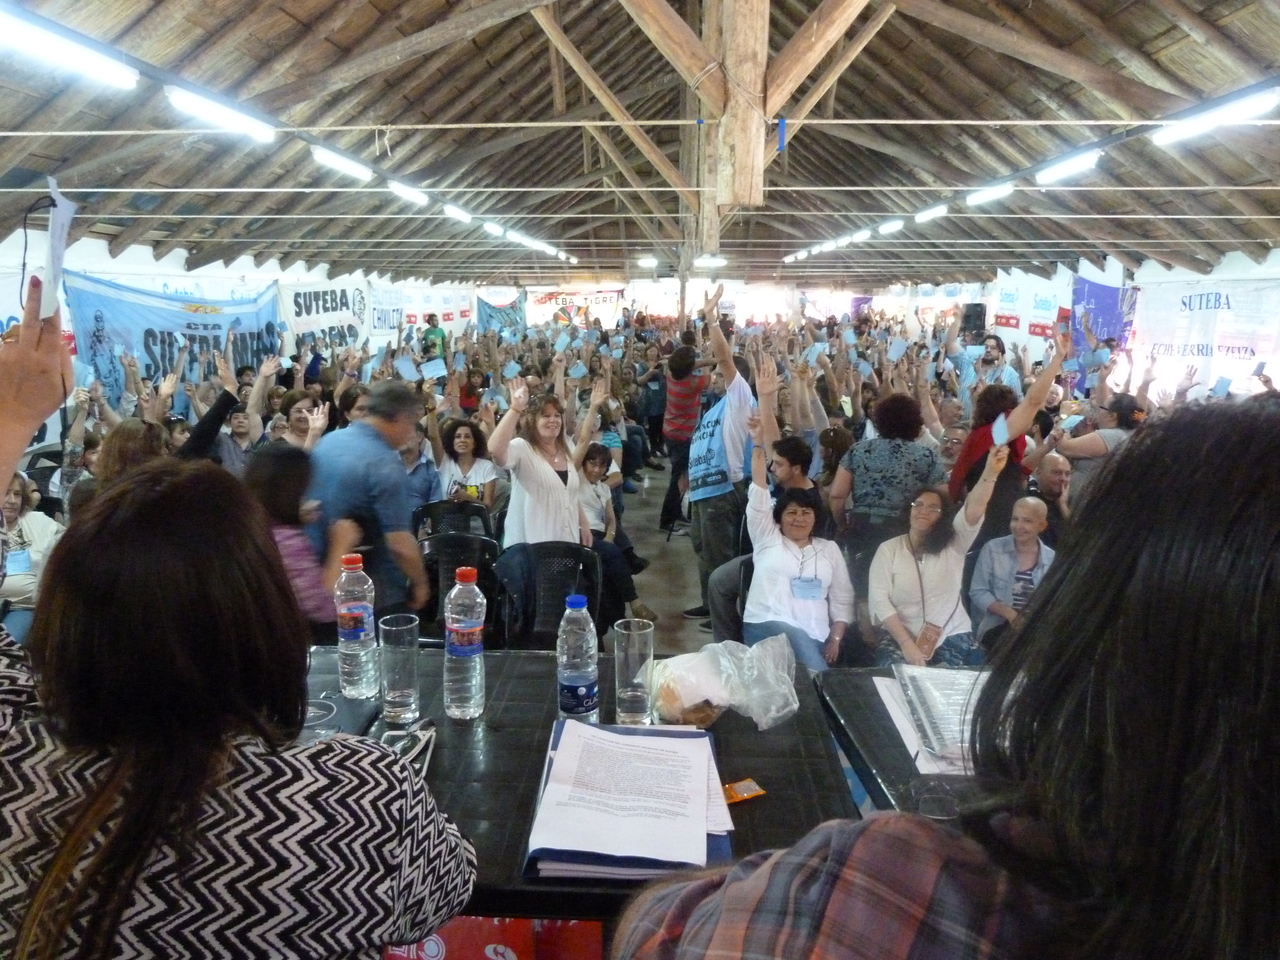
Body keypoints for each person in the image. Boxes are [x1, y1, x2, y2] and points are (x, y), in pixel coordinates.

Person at [870, 445, 1008, 667]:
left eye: (933, 508)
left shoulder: (955, 542)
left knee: (977, 676)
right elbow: (879, 600)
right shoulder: (888, 549)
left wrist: (990, 473)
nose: (923, 511)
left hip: (952, 631)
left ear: (943, 516)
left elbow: (975, 506)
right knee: (894, 675)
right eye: (918, 505)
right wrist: (906, 644)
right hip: (901, 635)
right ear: (909, 511)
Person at [307, 381, 430, 617]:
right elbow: (399, 543)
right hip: (367, 588)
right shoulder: (384, 463)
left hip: (316, 573)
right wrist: (421, 583)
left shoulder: (329, 440)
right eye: (412, 423)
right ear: (399, 418)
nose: (411, 432)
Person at [740, 415, 853, 673]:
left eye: (806, 513)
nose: (799, 519)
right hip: (767, 624)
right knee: (807, 665)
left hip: (816, 636)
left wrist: (835, 639)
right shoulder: (768, 538)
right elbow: (758, 490)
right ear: (779, 518)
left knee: (802, 670)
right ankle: (819, 680)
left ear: (815, 518)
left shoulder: (829, 550)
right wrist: (757, 444)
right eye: (791, 513)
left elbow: (842, 599)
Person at [243, 444, 364, 645]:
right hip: (294, 645)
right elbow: (324, 608)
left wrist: (294, 516)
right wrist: (340, 546)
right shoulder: (286, 541)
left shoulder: (247, 524)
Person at [685, 286, 754, 621]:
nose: (713, 376)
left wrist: (711, 319)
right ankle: (709, 603)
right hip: (704, 489)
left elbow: (725, 359)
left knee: (719, 555)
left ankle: (724, 616)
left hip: (724, 490)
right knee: (703, 549)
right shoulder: (718, 406)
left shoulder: (740, 398)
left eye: (718, 373)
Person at [828, 394, 946, 568]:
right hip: (905, 527)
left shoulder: (858, 450)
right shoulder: (926, 456)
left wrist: (843, 526)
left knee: (862, 578)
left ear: (880, 420)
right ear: (916, 422)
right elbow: (942, 496)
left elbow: (836, 496)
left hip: (863, 526)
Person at [489, 377, 592, 549]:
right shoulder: (522, 448)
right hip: (530, 549)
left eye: (557, 415)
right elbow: (495, 450)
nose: (553, 420)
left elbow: (569, 493)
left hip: (566, 545)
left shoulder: (564, 450)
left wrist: (584, 523)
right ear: (532, 421)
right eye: (546, 416)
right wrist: (515, 409)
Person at [969, 496, 1055, 648]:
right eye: (1015, 519)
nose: (1018, 526)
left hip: (1034, 630)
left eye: (1027, 521)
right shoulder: (992, 548)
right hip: (995, 628)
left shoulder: (1051, 558)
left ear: (1042, 526)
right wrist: (1010, 615)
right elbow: (978, 592)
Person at [1040, 393, 1141, 507]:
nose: (1098, 411)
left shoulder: (1112, 436)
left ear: (1112, 416)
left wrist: (1065, 416)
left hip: (1080, 504)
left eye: (1102, 407)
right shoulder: (1127, 435)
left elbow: (1063, 447)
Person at [0, 473, 63, 644]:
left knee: (5, 645)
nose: (12, 500)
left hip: (22, 607)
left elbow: (71, 546)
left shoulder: (39, 522)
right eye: (5, 493)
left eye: (17, 494)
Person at [1026, 450, 1071, 548]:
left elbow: (1079, 536)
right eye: (1057, 473)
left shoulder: (1071, 502)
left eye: (1067, 474)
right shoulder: (1027, 498)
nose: (1063, 478)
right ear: (1039, 473)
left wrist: (1063, 506)